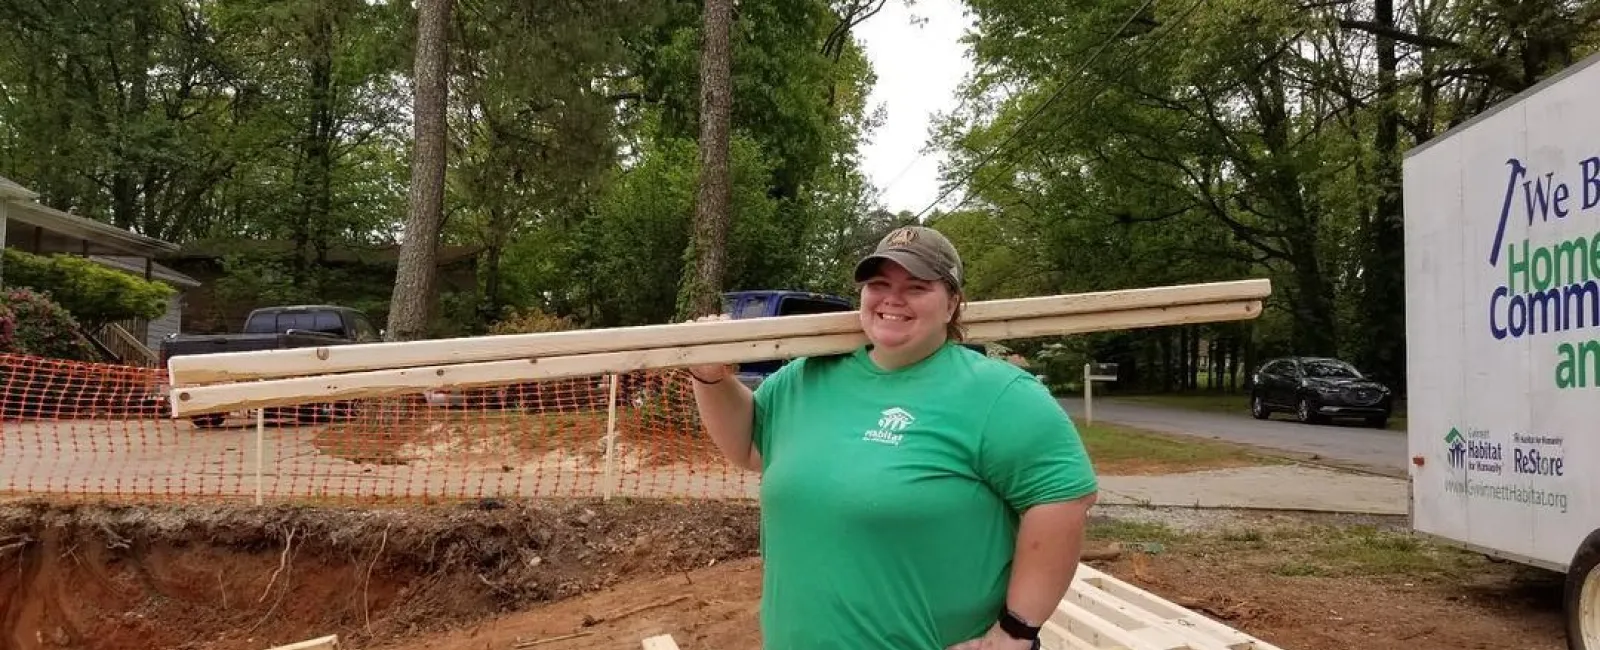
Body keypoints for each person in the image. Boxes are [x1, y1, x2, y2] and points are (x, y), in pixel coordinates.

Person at [687, 225, 1099, 650]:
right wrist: (709, 376)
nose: (892, 298)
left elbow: (1064, 500)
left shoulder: (998, 394)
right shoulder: (806, 377)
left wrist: (1016, 632)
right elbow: (749, 447)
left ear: (952, 303)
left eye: (916, 287)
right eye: (878, 284)